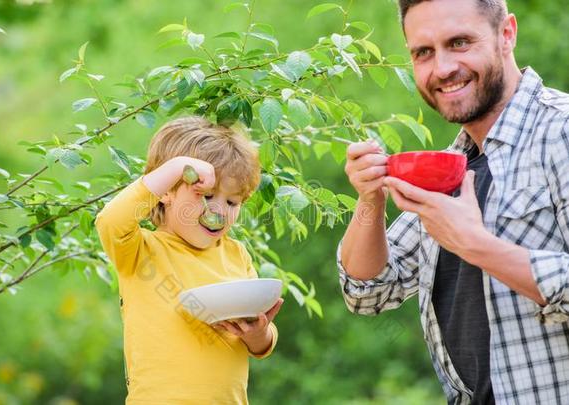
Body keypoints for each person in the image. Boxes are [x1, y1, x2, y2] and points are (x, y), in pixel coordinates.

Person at [337, 0, 569, 403]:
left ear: (507, 34)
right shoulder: (452, 165)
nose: (442, 69)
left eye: (459, 42)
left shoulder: (561, 132)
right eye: (423, 52)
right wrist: (370, 198)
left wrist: (474, 244)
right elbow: (368, 289)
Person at [95, 116, 283, 404]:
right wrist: (174, 168)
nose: (219, 211)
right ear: (168, 191)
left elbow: (259, 342)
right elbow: (111, 220)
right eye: (205, 195)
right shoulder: (140, 250)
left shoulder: (236, 255)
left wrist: (259, 335)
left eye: (232, 202)